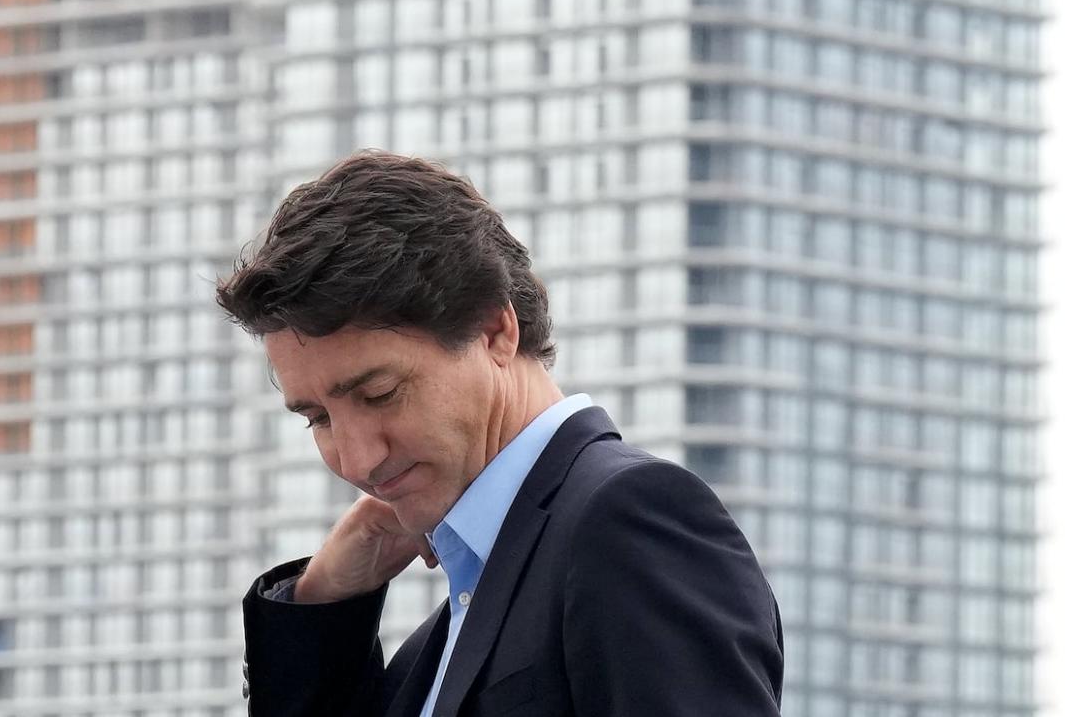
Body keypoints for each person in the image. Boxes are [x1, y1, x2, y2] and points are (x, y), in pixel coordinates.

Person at [218, 150, 783, 716]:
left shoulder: (630, 519)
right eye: (318, 418)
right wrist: (322, 607)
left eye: (379, 394)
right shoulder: (441, 641)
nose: (359, 461)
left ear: (494, 330)